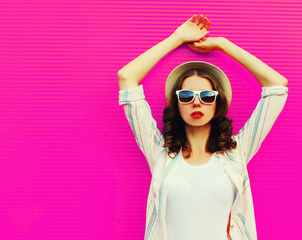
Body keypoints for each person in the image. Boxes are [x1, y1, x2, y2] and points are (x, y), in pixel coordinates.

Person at [118, 14, 288, 240]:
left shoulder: (236, 152)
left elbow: (277, 85)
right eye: (187, 95)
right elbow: (127, 77)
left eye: (207, 96)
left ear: (217, 103)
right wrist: (176, 37)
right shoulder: (159, 152)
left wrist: (223, 44)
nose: (196, 102)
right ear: (177, 104)